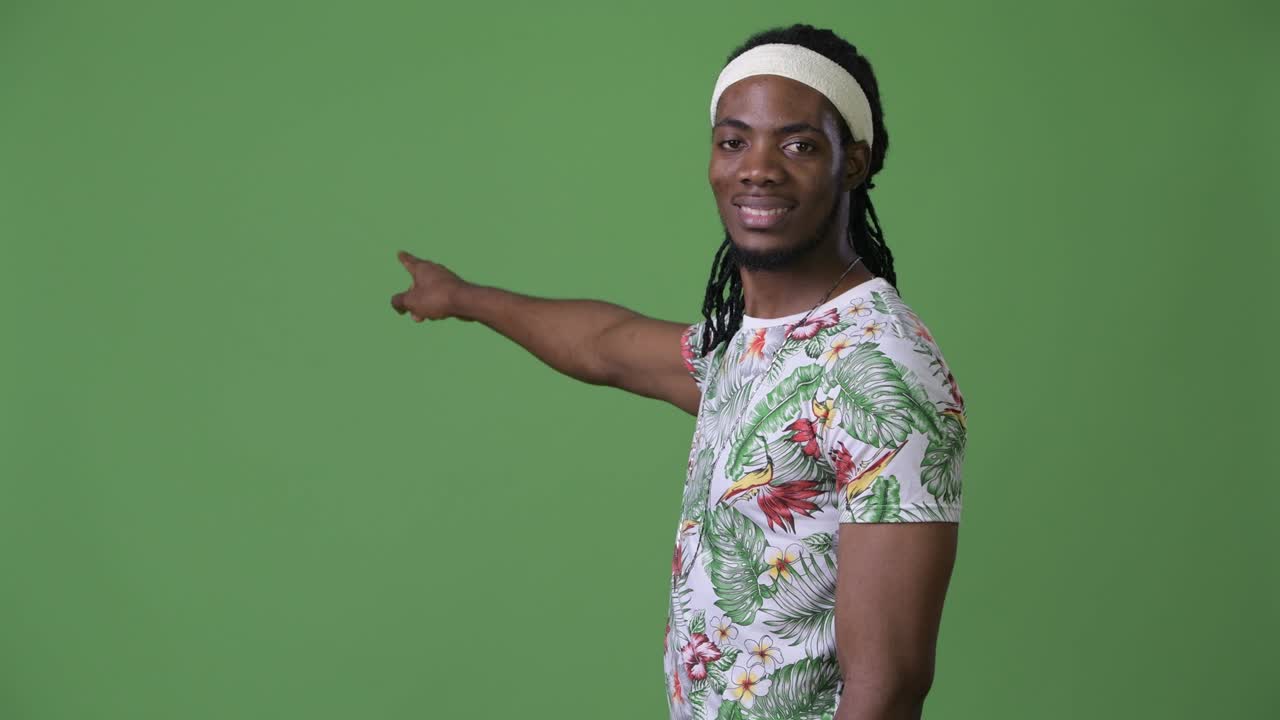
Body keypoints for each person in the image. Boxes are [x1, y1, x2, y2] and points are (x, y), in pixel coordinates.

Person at [390, 22, 966, 720]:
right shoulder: (747, 347)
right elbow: (607, 344)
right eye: (734, 141)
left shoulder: (878, 366)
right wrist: (464, 298)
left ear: (853, 163)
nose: (758, 167)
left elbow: (890, 683)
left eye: (798, 144)